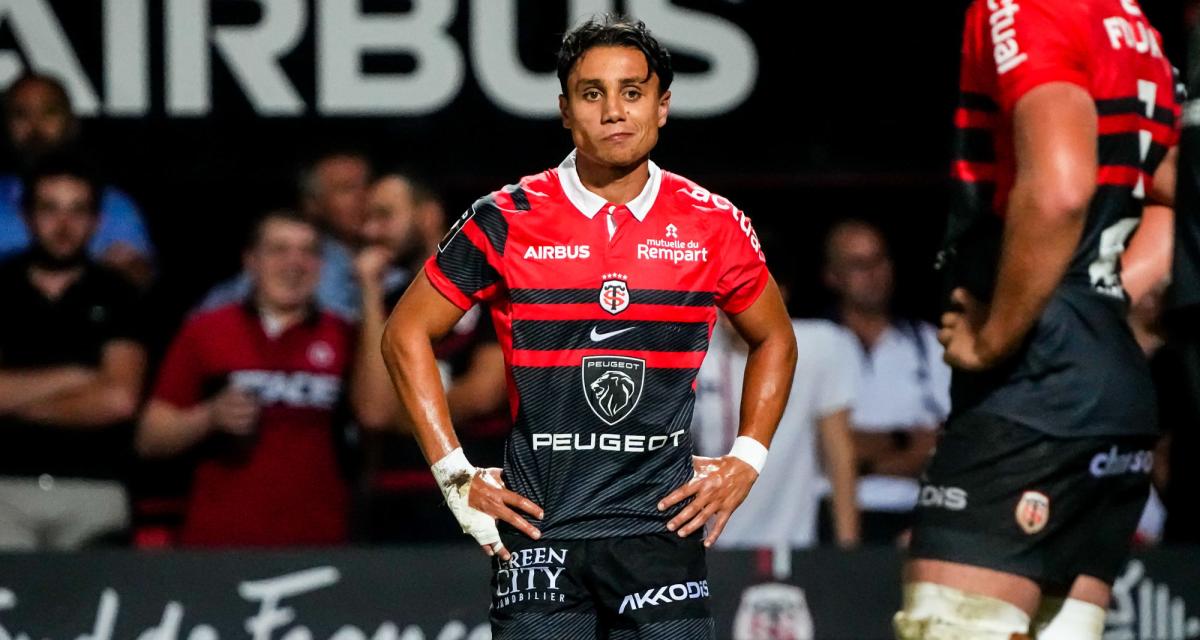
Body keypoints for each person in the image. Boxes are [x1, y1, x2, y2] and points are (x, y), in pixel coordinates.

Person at [381, 15, 797, 639]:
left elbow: (776, 338)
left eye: (632, 92)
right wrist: (455, 475)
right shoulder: (505, 216)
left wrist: (746, 458)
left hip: (659, 531)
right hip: (537, 531)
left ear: (662, 106)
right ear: (565, 111)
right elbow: (404, 333)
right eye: (592, 93)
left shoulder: (713, 223)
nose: (614, 111)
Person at [896, 0, 1182, 638]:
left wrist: (993, 337)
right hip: (1113, 392)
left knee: (943, 628)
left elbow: (1060, 189)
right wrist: (1100, 299)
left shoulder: (1025, 6)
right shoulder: (1134, 26)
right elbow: (1174, 197)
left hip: (1032, 395)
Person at [136, 211, 356, 547]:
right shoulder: (206, 330)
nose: (294, 263)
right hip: (221, 540)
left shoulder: (345, 335)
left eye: (308, 252)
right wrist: (209, 416)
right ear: (251, 261)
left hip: (319, 539)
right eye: (279, 250)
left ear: (322, 265)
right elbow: (150, 437)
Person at [351, 172, 510, 541]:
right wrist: (369, 292)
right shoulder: (382, 307)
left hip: (480, 498)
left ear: (428, 215)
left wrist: (401, 409)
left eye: (384, 215)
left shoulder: (493, 293)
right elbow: (373, 411)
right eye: (367, 219)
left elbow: (483, 394)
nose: (370, 231)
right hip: (395, 504)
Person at [0, 155, 147, 549]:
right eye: (49, 209)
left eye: (77, 211)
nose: (63, 225)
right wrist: (77, 377)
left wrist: (15, 401)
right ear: (27, 217)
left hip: (95, 488)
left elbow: (118, 400)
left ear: (97, 221)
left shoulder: (119, 294)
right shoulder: (2, 286)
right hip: (5, 489)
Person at [823, 219, 950, 544]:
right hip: (829, 515)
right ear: (832, 276)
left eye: (879, 260)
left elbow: (945, 444)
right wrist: (903, 438)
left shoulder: (930, 344)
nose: (873, 273)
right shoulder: (814, 344)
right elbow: (813, 446)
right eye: (858, 264)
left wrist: (852, 456)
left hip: (912, 516)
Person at [693, 314, 860, 550]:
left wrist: (849, 549)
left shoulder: (819, 346)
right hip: (712, 542)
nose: (728, 302)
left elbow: (839, 454)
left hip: (794, 542)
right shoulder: (694, 349)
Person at [0, 72, 155, 286]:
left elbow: (140, 285)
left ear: (72, 124)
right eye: (21, 114)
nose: (35, 128)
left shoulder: (114, 207)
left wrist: (125, 273)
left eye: (49, 112)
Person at [198, 150, 392, 320]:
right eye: (347, 189)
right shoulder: (294, 259)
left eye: (369, 185)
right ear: (313, 205)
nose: (364, 197)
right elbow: (209, 318)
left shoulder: (396, 261)